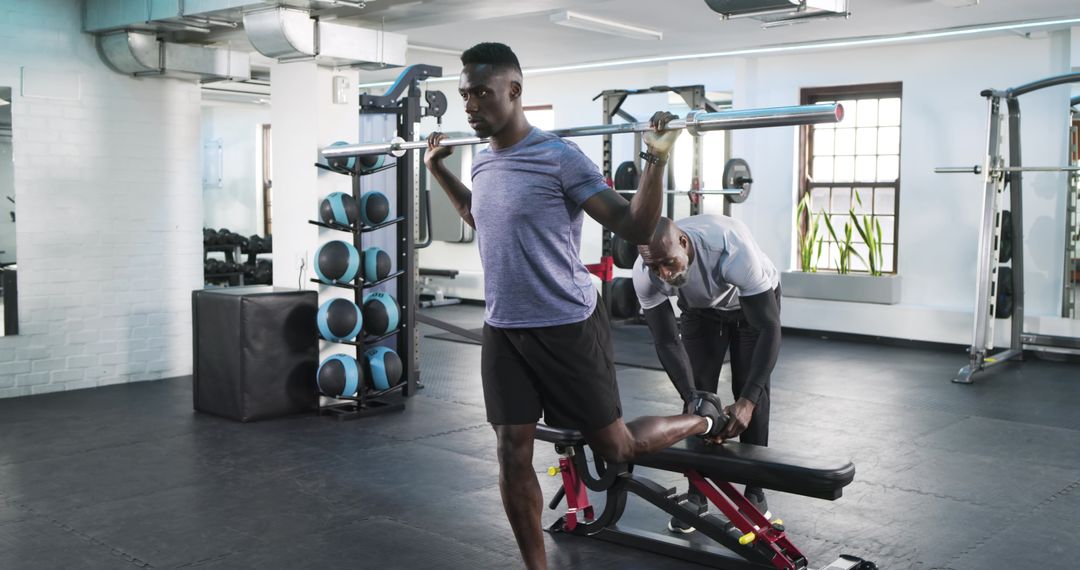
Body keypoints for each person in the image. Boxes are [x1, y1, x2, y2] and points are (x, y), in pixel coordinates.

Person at [423, 42, 728, 570]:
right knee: (511, 451)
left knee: (618, 450)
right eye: (464, 95)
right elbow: (480, 215)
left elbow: (634, 227)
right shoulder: (483, 164)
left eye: (480, 93)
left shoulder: (559, 157)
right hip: (503, 329)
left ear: (513, 92)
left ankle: (701, 417)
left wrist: (655, 159)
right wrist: (438, 169)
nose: (469, 105)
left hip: (566, 323)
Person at [633, 215, 782, 533]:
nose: (664, 274)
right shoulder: (646, 274)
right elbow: (665, 340)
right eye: (656, 267)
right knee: (698, 398)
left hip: (750, 307)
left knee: (750, 390)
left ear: (683, 243)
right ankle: (698, 492)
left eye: (669, 263)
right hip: (701, 311)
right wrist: (691, 397)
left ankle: (754, 494)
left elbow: (769, 327)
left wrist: (748, 400)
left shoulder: (731, 250)